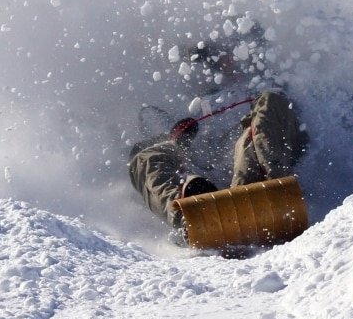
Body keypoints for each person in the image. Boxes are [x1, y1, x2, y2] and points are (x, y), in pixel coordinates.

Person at [128, 90, 308, 235]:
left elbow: (283, 115)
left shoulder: (261, 80)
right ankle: (192, 216)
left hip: (259, 168)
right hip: (211, 191)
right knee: (146, 156)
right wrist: (177, 141)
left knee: (270, 102)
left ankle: (273, 190)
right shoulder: (189, 102)